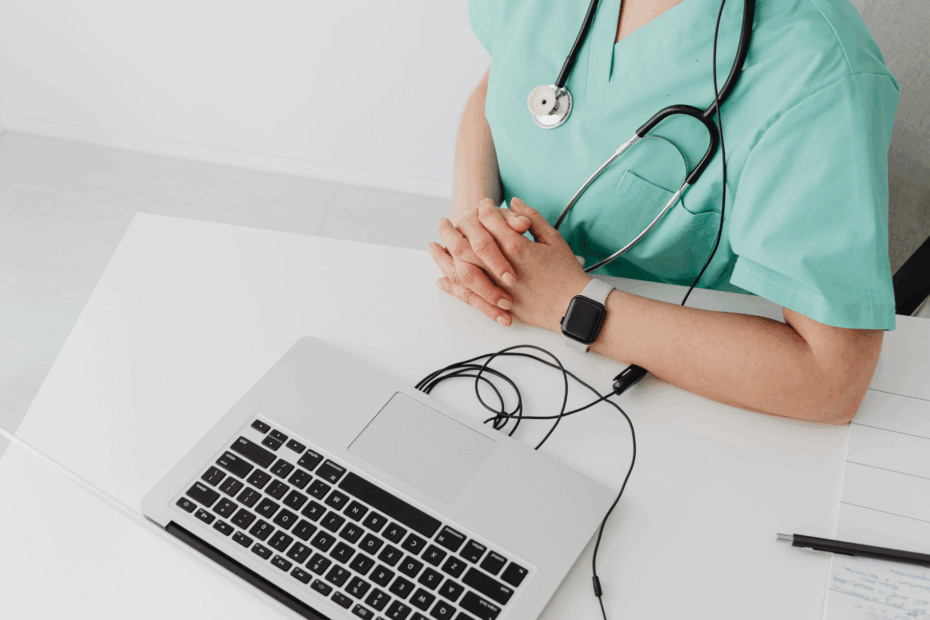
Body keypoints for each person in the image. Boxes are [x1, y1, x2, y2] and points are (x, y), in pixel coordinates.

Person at [427, 0, 899, 425]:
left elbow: (833, 379)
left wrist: (573, 306)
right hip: (490, 338)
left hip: (660, 394)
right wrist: (478, 228)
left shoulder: (819, 68)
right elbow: (499, 82)